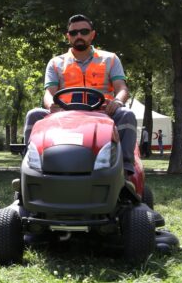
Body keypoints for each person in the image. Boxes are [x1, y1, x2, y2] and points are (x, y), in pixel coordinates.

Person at [23, 14, 138, 175]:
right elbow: (49, 94)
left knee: (126, 114)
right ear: (68, 37)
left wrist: (118, 102)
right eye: (73, 33)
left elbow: (122, 88)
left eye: (84, 32)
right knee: (34, 115)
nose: (79, 36)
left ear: (92, 34)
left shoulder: (110, 59)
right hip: (65, 115)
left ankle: (125, 170)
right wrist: (51, 106)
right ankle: (31, 168)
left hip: (103, 114)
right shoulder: (56, 63)